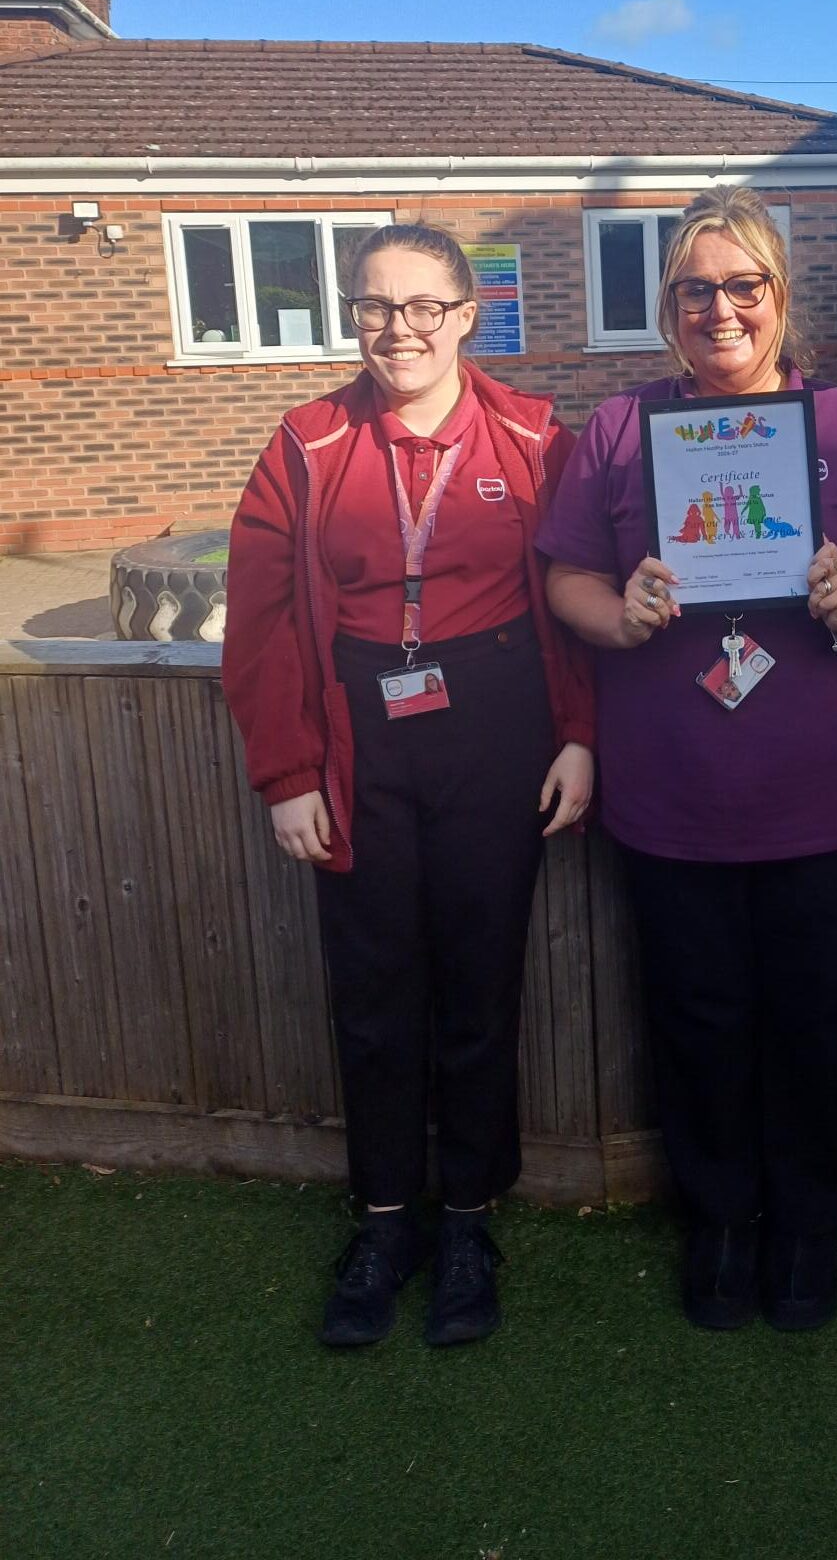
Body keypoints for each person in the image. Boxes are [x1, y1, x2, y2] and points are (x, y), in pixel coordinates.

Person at [222, 224, 593, 1350]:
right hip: (356, 730)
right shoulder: (306, 440)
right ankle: (385, 1218)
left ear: (469, 312)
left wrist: (579, 736)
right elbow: (264, 621)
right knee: (375, 986)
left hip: (497, 726)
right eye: (378, 306)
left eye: (426, 304)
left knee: (481, 981)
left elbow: (571, 596)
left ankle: (472, 1218)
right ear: (353, 315)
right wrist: (288, 771)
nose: (402, 328)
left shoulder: (534, 435)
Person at [540, 186, 837, 1332]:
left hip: (822, 795)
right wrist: (622, 610)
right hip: (672, 791)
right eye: (697, 288)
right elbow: (564, 575)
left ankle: (806, 1223)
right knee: (696, 1014)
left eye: (743, 284)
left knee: (819, 1013)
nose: (720, 307)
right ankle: (721, 1219)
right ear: (669, 305)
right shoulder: (616, 428)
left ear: (779, 296)